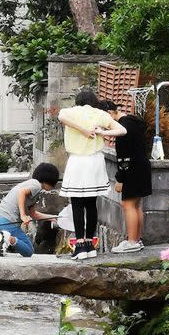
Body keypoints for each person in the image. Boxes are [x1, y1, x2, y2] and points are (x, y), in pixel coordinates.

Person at [58, 89, 126, 260]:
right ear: (94, 100)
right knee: (91, 203)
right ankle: (90, 245)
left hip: (78, 161)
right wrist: (102, 132)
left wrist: (82, 130)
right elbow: (122, 130)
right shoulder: (100, 114)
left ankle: (80, 245)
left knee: (77, 203)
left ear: (78, 100)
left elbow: (61, 117)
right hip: (96, 161)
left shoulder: (71, 112)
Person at [99, 99, 152, 253]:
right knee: (135, 205)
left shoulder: (122, 127)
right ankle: (137, 239)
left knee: (127, 205)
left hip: (131, 169)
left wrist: (120, 179)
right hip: (142, 165)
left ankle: (132, 241)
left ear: (109, 113)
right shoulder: (133, 122)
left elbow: (123, 156)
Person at [0, 163, 60, 258]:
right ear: (48, 180)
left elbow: (34, 215)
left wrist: (52, 217)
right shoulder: (36, 185)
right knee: (29, 250)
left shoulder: (30, 187)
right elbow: (21, 193)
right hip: (8, 222)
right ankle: (8, 238)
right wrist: (23, 215)